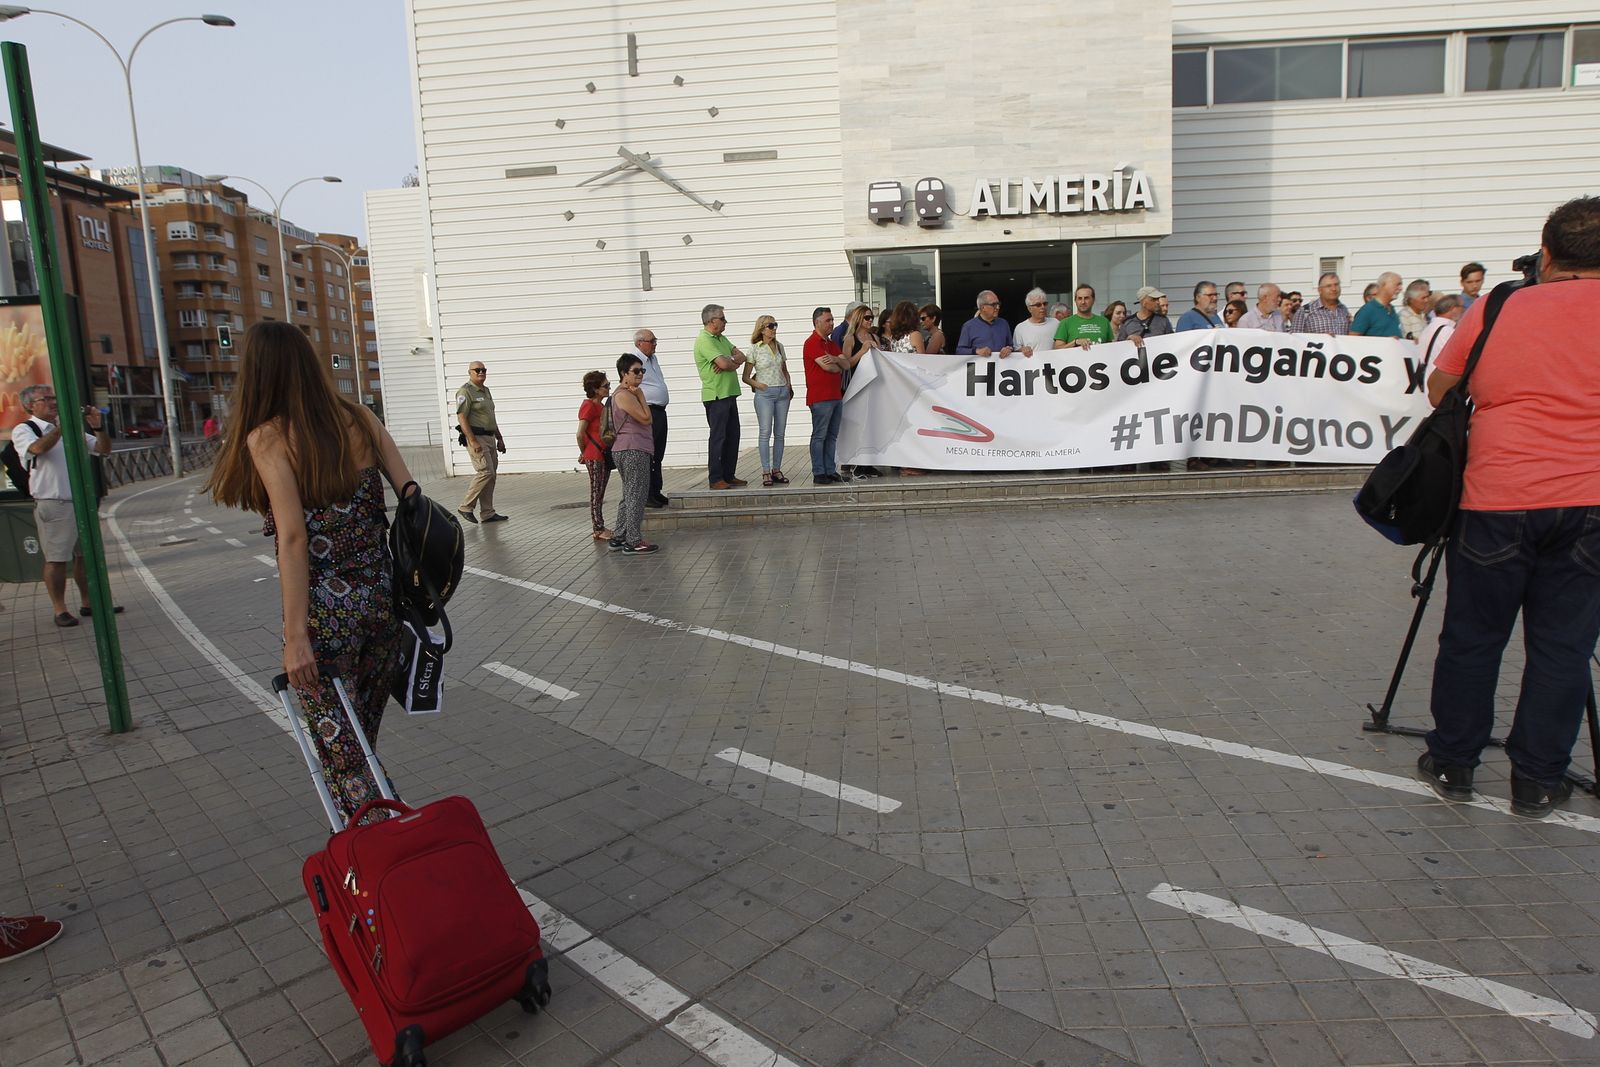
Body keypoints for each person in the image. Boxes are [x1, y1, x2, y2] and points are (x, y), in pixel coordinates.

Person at [1419, 196, 1600, 818]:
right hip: (1592, 496)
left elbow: (1440, 388)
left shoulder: (1500, 305)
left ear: (1546, 255)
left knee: (1473, 636)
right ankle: (1538, 779)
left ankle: (1454, 761)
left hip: (1500, 492)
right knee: (1563, 646)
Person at [208, 322, 414, 823]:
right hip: (383, 606)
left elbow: (294, 539)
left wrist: (294, 635)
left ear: (258, 374)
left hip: (327, 616)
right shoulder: (361, 417)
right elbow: (411, 496)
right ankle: (374, 854)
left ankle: (388, 853)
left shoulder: (269, 437)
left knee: (343, 757)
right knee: (359, 741)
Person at [10, 384, 116, 628]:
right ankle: (60, 609)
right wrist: (61, 427)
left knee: (86, 556)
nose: (52, 402)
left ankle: (89, 602)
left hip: (80, 501)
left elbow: (103, 449)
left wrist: (97, 426)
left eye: (53, 397)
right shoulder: (25, 429)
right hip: (54, 502)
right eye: (44, 399)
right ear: (30, 405)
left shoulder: (68, 428)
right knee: (57, 559)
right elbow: (36, 449)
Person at [608, 354, 658, 553]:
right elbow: (646, 418)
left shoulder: (623, 393)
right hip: (632, 449)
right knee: (636, 495)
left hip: (628, 449)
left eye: (642, 371)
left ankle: (619, 536)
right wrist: (641, 396)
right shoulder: (624, 395)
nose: (640, 375)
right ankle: (633, 541)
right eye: (635, 371)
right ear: (623, 374)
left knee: (629, 494)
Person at [694, 303, 747, 490]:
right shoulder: (704, 340)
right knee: (718, 437)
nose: (725, 322)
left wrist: (729, 360)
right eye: (722, 319)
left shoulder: (721, 339)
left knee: (733, 435)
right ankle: (716, 478)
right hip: (716, 395)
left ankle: (728, 474)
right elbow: (724, 364)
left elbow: (741, 356)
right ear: (711, 321)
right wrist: (729, 361)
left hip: (730, 393)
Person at [742, 314, 793, 488]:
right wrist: (759, 385)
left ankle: (776, 469)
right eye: (770, 326)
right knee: (765, 432)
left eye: (775, 325)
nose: (774, 329)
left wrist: (789, 385)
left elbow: (784, 369)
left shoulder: (779, 346)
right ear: (762, 328)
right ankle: (765, 470)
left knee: (780, 433)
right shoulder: (755, 349)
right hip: (765, 393)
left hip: (782, 392)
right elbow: (745, 377)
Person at [454, 361, 506, 523]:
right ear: (469, 372)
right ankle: (466, 506)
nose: (481, 372)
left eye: (483, 370)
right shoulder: (465, 391)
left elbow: (491, 417)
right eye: (477, 370)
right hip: (477, 438)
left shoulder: (486, 391)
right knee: (485, 472)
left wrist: (500, 437)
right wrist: (472, 440)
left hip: (490, 437)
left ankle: (488, 512)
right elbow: (461, 416)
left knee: (491, 476)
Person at [803, 307, 847, 484]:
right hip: (820, 397)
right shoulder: (812, 342)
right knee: (820, 435)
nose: (832, 323)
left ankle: (830, 470)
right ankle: (819, 472)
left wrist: (835, 359)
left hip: (835, 395)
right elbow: (829, 367)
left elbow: (846, 364)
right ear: (817, 322)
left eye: (832, 320)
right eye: (828, 320)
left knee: (832, 435)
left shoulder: (831, 344)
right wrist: (837, 363)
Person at [631, 328, 671, 508]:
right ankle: (647, 494)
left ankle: (656, 490)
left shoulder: (653, 359)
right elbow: (631, 385)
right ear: (640, 343)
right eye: (651, 341)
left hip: (660, 410)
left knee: (658, 453)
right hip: (648, 410)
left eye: (655, 340)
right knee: (649, 453)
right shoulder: (634, 360)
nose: (655, 344)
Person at [575, 370, 613, 542]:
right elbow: (580, 433)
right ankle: (597, 528)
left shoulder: (602, 407)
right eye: (605, 385)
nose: (608, 387)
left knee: (600, 492)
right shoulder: (589, 406)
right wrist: (584, 452)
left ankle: (600, 525)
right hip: (594, 455)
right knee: (596, 492)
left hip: (602, 454)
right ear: (596, 389)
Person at [1055, 285, 1114, 349]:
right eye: (1079, 298)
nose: (1083, 302)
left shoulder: (1104, 322)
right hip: (1075, 359)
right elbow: (1058, 349)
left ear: (1093, 300)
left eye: (1086, 298)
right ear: (1075, 301)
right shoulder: (1065, 323)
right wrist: (1075, 342)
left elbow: (1110, 348)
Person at [956, 291, 1013, 357]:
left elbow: (1011, 345)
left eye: (998, 304)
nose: (998, 307)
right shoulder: (968, 326)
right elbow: (960, 350)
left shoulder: (1004, 323)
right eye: (994, 305)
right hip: (980, 366)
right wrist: (977, 351)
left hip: (1001, 366)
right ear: (983, 308)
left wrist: (1009, 349)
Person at [1414, 293, 1463, 367]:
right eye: (1462, 307)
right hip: (1441, 376)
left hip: (1427, 376)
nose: (1464, 310)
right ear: (1453, 308)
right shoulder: (1447, 331)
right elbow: (1456, 359)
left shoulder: (1427, 328)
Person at [1350, 272, 1404, 337]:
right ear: (1384, 285)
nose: (1400, 288)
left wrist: (1410, 342)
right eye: (1397, 284)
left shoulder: (1392, 310)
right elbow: (1353, 339)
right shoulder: (1368, 310)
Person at [1012, 288, 1056, 356]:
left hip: (1054, 365)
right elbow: (1015, 350)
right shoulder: (1020, 328)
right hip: (1032, 366)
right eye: (1038, 305)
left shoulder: (1056, 323)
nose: (1043, 307)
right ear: (1029, 309)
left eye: (1045, 304)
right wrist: (1023, 349)